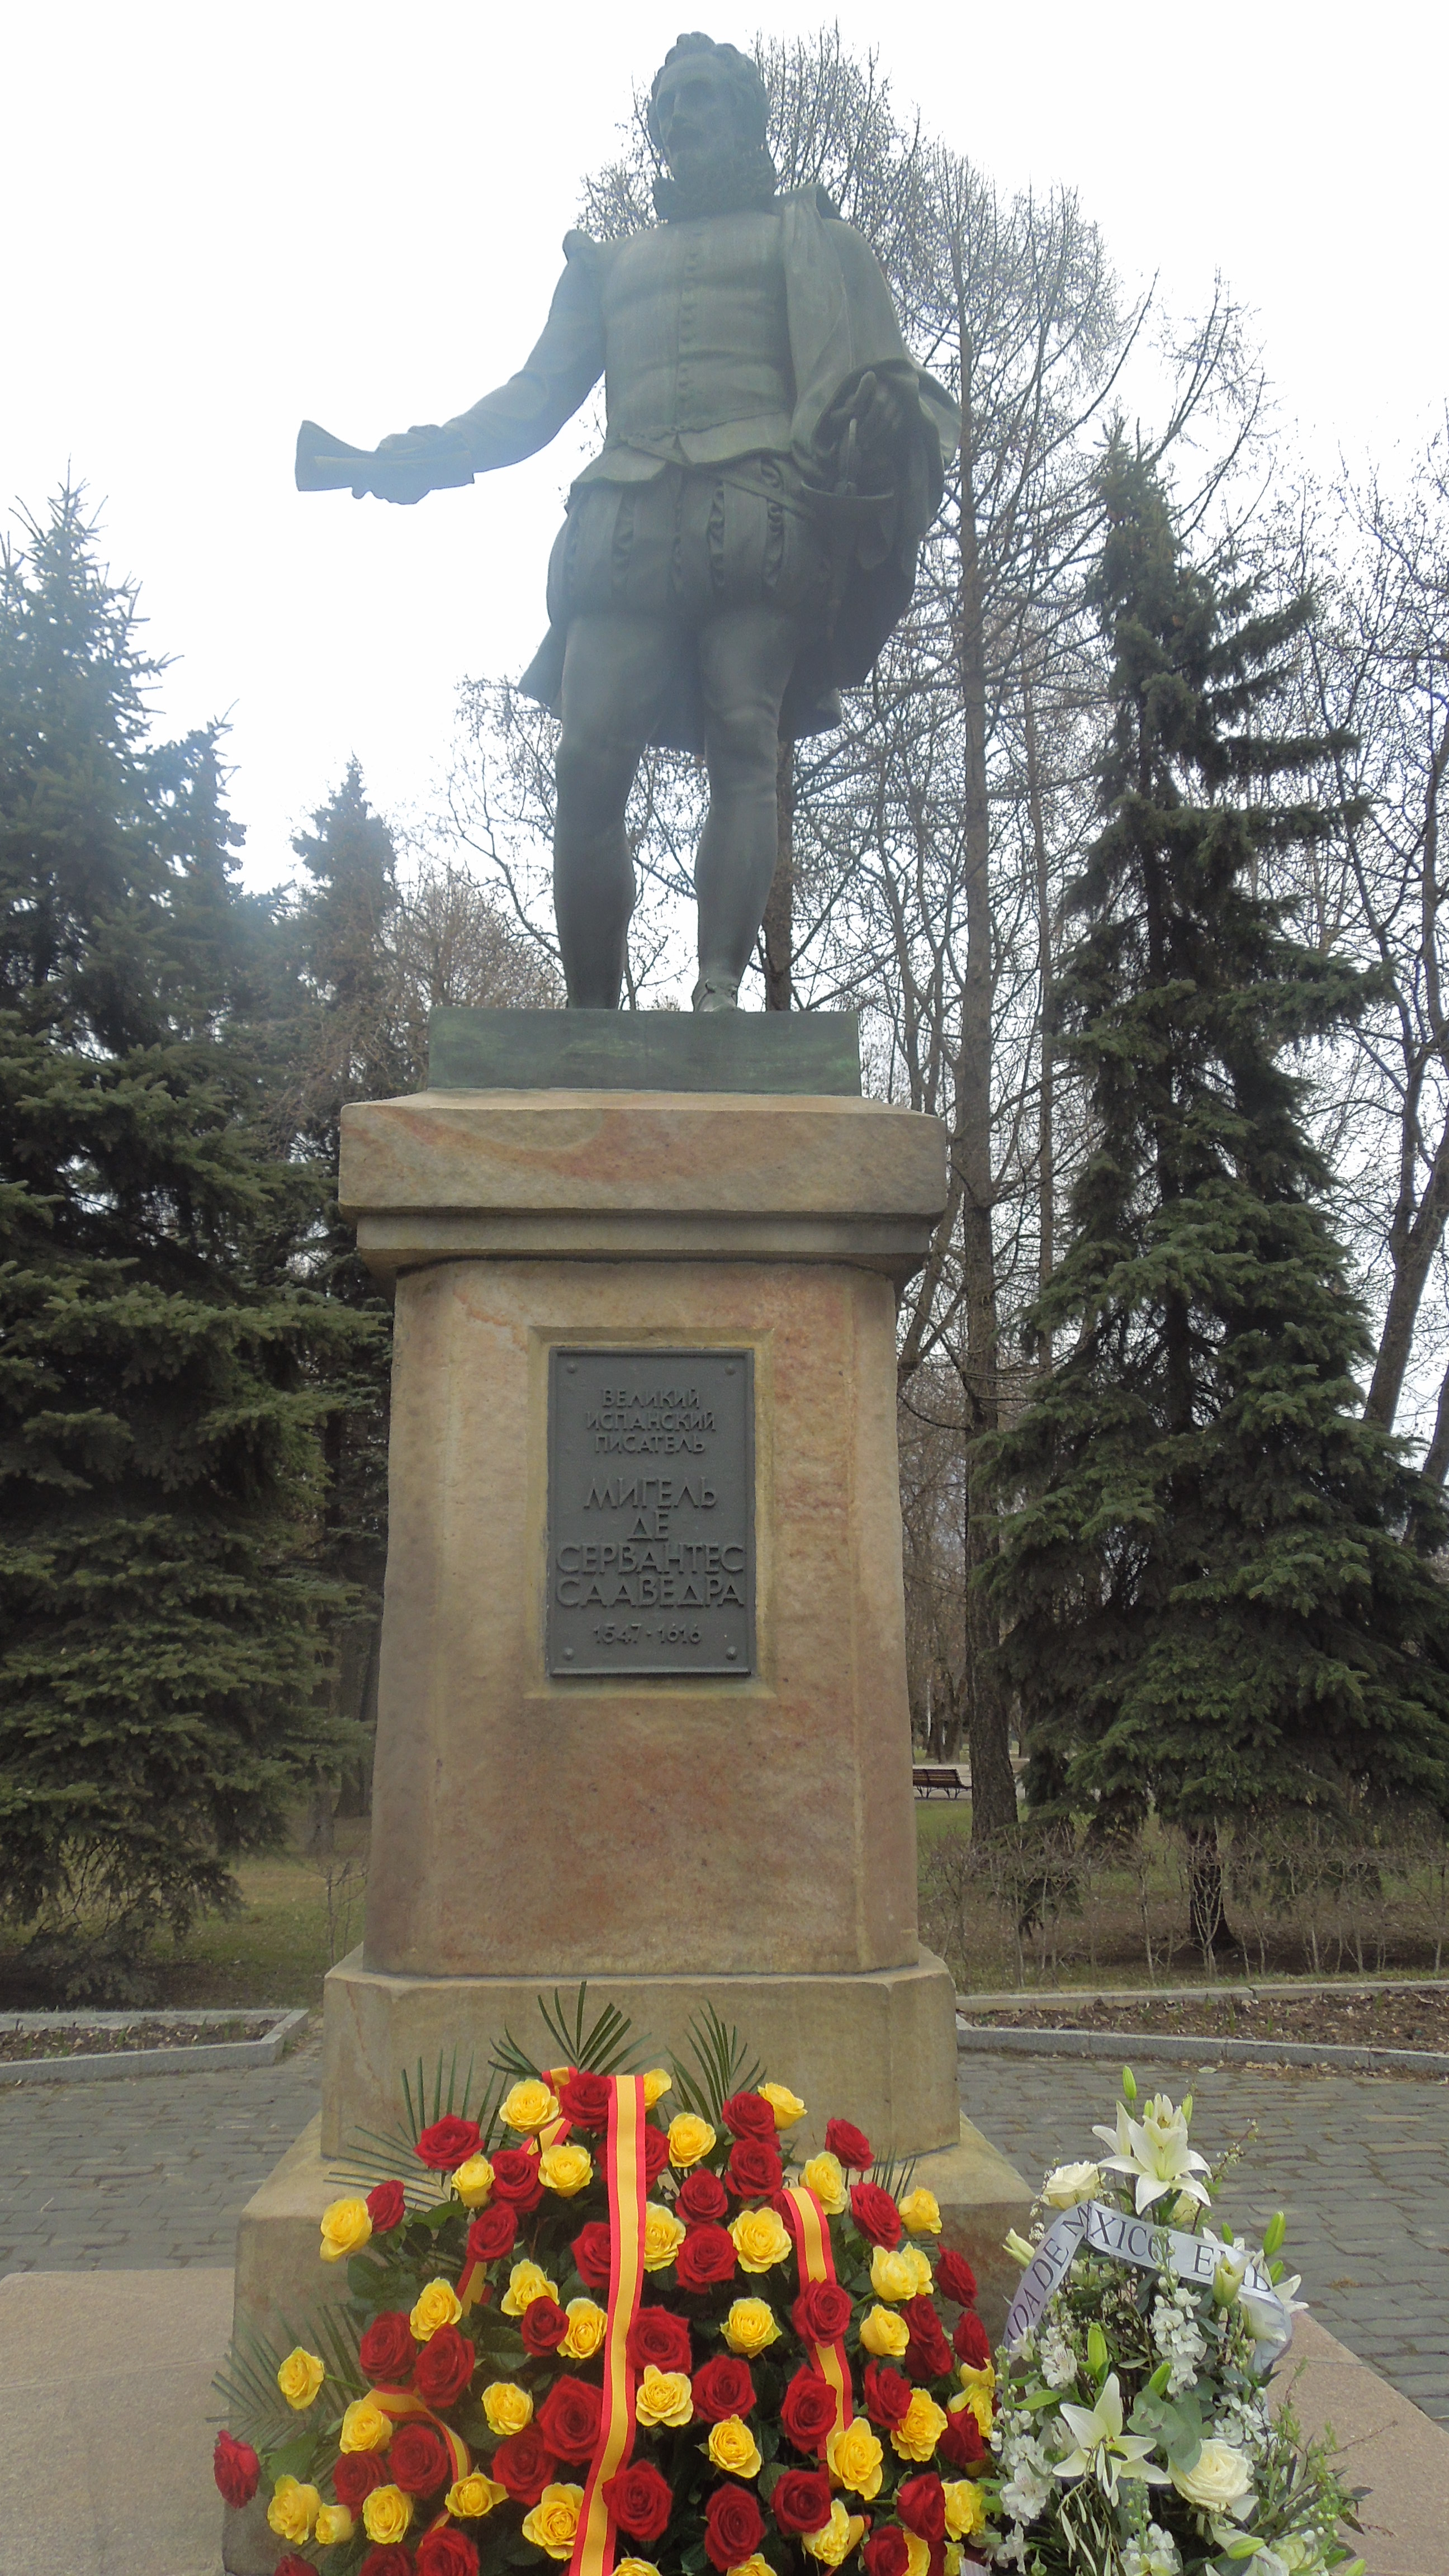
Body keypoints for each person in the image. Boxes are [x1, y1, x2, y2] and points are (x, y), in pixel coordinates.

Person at [337, 34, 955, 1010]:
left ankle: (718, 991)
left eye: (700, 97)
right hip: (622, 527)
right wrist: (435, 450)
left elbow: (901, 393)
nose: (678, 117)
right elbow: (534, 397)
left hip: (764, 518)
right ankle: (589, 1016)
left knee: (745, 738)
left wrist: (891, 419)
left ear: (747, 114)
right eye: (665, 105)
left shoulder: (821, 244)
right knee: (586, 759)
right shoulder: (605, 267)